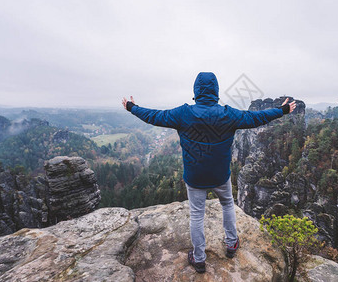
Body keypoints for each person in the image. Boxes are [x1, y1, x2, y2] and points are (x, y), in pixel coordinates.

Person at [122, 72, 297, 274]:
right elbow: (256, 118)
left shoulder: (183, 114)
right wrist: (282, 110)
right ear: (216, 91)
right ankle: (231, 244)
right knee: (227, 204)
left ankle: (199, 259)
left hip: (195, 177)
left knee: (197, 215)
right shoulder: (228, 114)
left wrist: (131, 107)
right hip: (220, 175)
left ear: (196, 91)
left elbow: (154, 116)